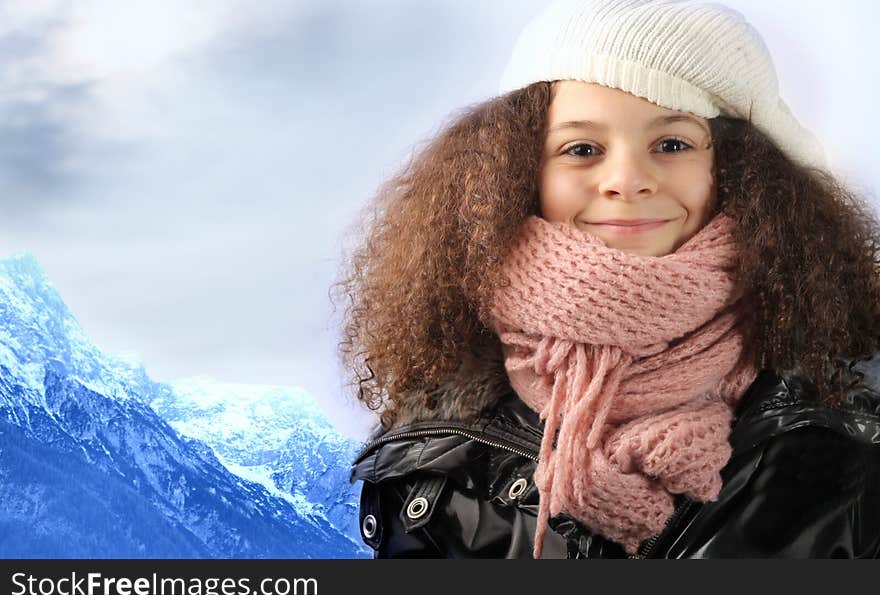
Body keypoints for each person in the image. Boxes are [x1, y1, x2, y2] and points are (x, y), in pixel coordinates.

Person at [335, 0, 880, 558]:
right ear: (519, 172)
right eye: (582, 149)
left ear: (743, 170)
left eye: (672, 144)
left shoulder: (852, 420)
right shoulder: (436, 432)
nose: (626, 179)